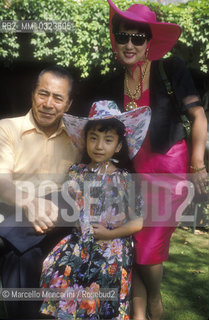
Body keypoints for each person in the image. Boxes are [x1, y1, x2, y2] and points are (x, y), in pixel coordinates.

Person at [90, 2, 208, 320]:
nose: (129, 44)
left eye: (137, 38)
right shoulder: (110, 84)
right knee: (136, 246)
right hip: (133, 175)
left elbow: (198, 116)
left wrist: (197, 164)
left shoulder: (172, 69)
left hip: (169, 170)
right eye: (122, 36)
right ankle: (140, 315)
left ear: (149, 42)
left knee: (146, 250)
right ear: (115, 40)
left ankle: (155, 299)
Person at [39, 100, 151, 319]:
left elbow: (138, 222)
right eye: (94, 138)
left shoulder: (125, 179)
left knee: (101, 287)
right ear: (86, 140)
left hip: (111, 247)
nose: (99, 146)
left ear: (118, 146)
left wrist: (108, 234)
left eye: (108, 140)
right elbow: (68, 206)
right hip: (78, 243)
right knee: (56, 270)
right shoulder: (76, 172)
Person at [0, 65, 80, 319]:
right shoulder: (6, 129)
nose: (48, 103)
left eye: (57, 98)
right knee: (24, 254)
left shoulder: (76, 139)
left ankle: (4, 236)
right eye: (42, 94)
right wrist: (29, 202)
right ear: (32, 94)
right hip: (17, 215)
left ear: (68, 105)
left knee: (65, 197)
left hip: (57, 218)